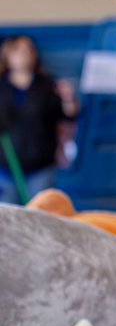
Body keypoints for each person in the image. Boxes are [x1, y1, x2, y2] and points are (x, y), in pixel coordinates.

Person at [0, 35, 78, 204]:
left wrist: (68, 99)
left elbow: (69, 115)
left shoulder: (47, 85)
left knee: (39, 217)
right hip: (6, 167)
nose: (24, 54)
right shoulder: (2, 86)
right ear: (7, 55)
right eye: (18, 51)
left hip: (40, 167)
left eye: (28, 50)